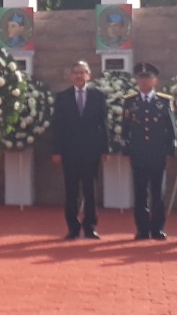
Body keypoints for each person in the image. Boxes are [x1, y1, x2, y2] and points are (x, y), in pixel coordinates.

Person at [51, 61, 109, 240]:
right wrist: (56, 150)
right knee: (71, 192)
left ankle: (90, 227)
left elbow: (104, 125)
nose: (79, 76)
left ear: (89, 75)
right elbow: (57, 127)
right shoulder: (62, 97)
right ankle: (73, 228)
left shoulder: (98, 96)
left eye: (82, 72)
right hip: (70, 152)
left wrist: (105, 149)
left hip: (91, 152)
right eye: (75, 72)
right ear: (71, 76)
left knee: (91, 191)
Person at [122, 62, 176, 240]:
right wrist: (127, 150)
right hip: (138, 154)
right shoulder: (130, 101)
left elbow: (171, 129)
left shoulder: (164, 101)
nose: (144, 82)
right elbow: (126, 129)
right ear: (137, 82)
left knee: (157, 193)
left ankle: (157, 228)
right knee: (140, 193)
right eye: (141, 79)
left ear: (155, 81)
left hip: (158, 154)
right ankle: (142, 229)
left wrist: (170, 151)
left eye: (148, 79)